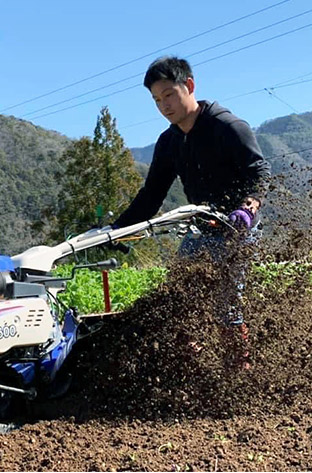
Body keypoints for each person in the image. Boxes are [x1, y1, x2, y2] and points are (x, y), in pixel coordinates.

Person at [112, 56, 270, 369]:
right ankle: (191, 369)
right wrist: (117, 230)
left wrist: (246, 208)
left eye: (168, 94)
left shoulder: (227, 127)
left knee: (226, 306)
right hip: (201, 228)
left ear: (190, 86)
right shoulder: (169, 141)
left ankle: (241, 373)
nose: (164, 105)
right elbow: (152, 194)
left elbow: (259, 173)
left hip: (239, 228)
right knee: (176, 300)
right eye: (157, 100)